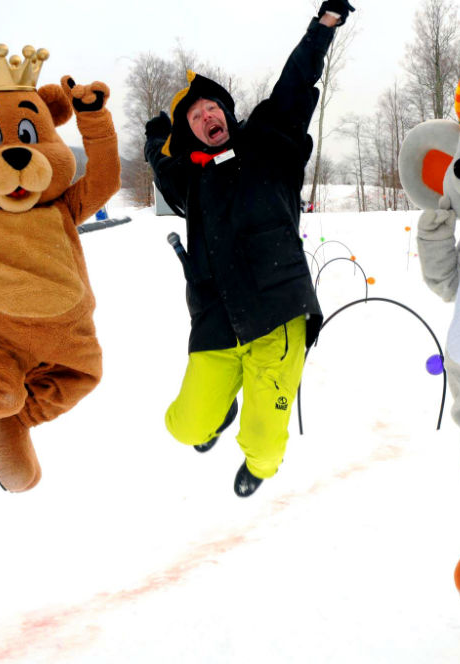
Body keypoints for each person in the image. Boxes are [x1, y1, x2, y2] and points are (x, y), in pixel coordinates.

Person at [145, 2, 355, 497]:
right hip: (217, 316)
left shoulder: (268, 141)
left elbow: (295, 83)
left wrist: (321, 28)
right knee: (186, 427)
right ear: (189, 131)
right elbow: (161, 165)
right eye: (195, 115)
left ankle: (260, 467)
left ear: (228, 113)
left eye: (213, 106)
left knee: (264, 442)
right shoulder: (191, 179)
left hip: (277, 313)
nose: (207, 114)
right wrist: (157, 139)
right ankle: (220, 414)